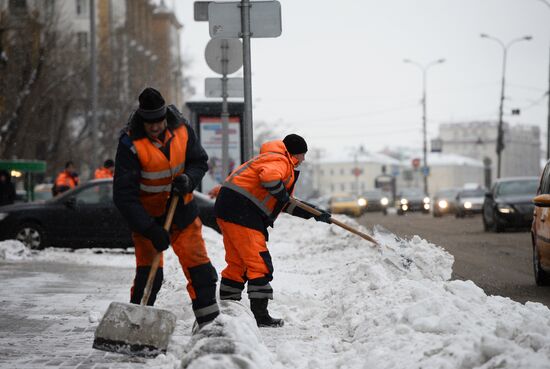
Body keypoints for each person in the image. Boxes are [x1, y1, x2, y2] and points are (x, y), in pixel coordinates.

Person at [113, 87, 219, 329]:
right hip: (147, 219)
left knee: (200, 270)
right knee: (149, 277)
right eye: (149, 122)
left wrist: (189, 179)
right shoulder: (130, 144)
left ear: (165, 116)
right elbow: (124, 196)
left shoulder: (181, 129)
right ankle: (134, 327)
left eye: (158, 121)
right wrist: (151, 229)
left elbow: (199, 161)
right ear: (141, 119)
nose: (154, 127)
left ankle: (209, 325)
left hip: (183, 212)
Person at [214, 134, 331, 327]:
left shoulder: (272, 159)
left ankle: (229, 309)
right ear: (296, 153)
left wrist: (314, 213)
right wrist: (282, 195)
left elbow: (284, 203)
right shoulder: (279, 160)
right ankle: (260, 316)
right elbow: (270, 180)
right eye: (303, 155)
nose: (304, 160)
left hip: (230, 209)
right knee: (259, 264)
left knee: (238, 263)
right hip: (242, 211)